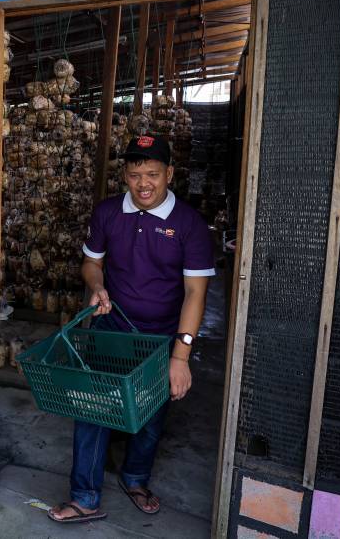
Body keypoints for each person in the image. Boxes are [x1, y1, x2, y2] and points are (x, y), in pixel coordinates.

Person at [49, 134, 215, 523]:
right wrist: (97, 285)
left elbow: (195, 294)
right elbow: (91, 263)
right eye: (135, 174)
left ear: (169, 173)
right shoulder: (107, 213)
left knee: (150, 414)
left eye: (153, 174)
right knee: (93, 407)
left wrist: (181, 356)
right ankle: (85, 496)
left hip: (159, 337)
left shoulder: (189, 225)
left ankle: (135, 478)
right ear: (124, 174)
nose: (143, 183)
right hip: (110, 328)